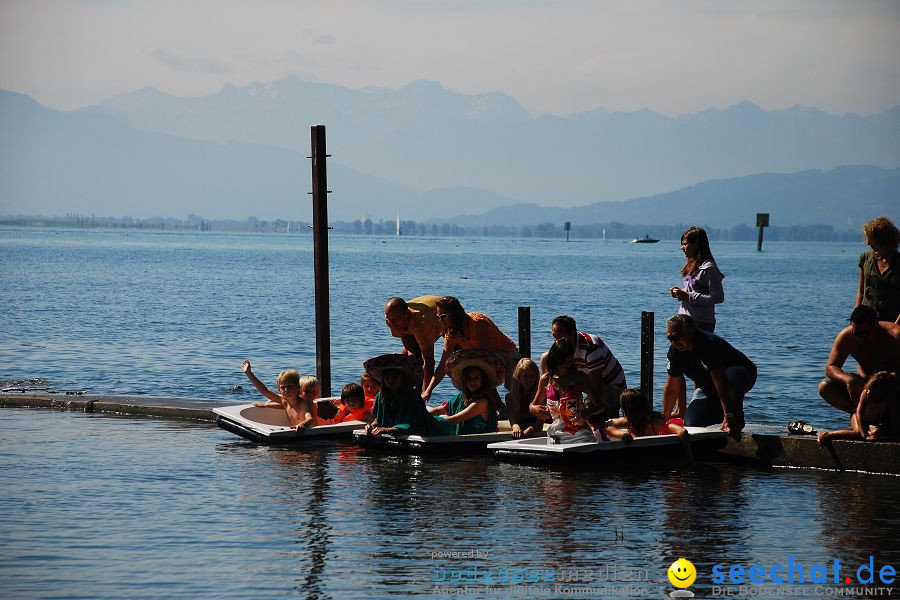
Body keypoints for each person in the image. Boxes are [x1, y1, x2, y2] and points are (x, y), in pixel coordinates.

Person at [662, 314, 756, 437]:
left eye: (678, 337)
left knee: (732, 374)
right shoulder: (674, 352)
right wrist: (663, 421)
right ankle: (718, 414)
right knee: (692, 425)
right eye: (670, 338)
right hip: (709, 387)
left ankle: (736, 416)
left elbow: (719, 380)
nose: (675, 342)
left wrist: (728, 414)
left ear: (691, 332)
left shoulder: (708, 344)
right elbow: (672, 388)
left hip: (740, 376)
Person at [422, 296, 519, 402]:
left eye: (443, 317)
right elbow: (442, 365)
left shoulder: (478, 323)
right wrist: (429, 389)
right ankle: (490, 405)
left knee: (513, 390)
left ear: (455, 314)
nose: (440, 321)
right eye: (438, 317)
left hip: (506, 355)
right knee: (454, 365)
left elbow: (487, 358)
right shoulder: (451, 333)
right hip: (484, 358)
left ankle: (497, 405)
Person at [541, 315, 626, 423]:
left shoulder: (591, 347)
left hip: (611, 384)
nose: (555, 341)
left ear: (572, 334)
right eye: (554, 337)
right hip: (587, 379)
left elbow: (596, 387)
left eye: (559, 337)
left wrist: (587, 411)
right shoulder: (562, 347)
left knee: (592, 412)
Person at [818, 305, 900, 413]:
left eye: (865, 334)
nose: (861, 338)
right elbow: (831, 367)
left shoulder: (895, 336)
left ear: (876, 325)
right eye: (856, 333)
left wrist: (881, 381)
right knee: (825, 387)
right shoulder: (846, 337)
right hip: (863, 384)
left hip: (892, 385)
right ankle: (857, 412)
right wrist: (848, 380)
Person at [530, 340, 605, 444]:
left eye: (570, 358)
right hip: (555, 436)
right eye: (563, 359)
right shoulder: (546, 379)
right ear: (555, 358)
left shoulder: (579, 378)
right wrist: (535, 409)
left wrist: (585, 413)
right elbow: (533, 405)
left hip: (580, 436)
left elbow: (601, 406)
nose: (567, 362)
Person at [604, 388, 695, 467]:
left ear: (628, 409)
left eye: (622, 407)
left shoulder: (654, 423)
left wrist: (691, 460)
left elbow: (682, 432)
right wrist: (622, 434)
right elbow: (608, 423)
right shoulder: (629, 421)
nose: (620, 409)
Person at [363, 354, 440, 437]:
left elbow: (418, 425)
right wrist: (372, 426)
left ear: (403, 378)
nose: (391, 380)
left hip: (432, 429)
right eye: (387, 377)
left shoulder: (412, 396)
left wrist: (388, 430)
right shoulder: (380, 396)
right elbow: (379, 420)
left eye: (395, 377)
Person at [429, 349, 503, 435]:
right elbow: (440, 410)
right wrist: (423, 415)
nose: (472, 382)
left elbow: (454, 420)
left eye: (476, 378)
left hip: (478, 444)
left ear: (483, 380)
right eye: (469, 378)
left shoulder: (483, 402)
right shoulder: (462, 397)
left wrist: (426, 421)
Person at [818, 371, 898, 447]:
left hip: (872, 421)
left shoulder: (888, 399)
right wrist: (864, 435)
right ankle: (827, 434)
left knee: (876, 433)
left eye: (873, 391)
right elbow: (859, 412)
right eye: (869, 389)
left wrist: (895, 436)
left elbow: (893, 415)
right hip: (857, 415)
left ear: (882, 392)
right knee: (858, 433)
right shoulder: (866, 393)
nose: (869, 392)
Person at [669, 226, 724, 332]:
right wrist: (681, 293)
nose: (682, 247)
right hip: (685, 320)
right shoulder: (692, 266)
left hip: (701, 323)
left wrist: (688, 296)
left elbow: (718, 297)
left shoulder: (709, 268)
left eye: (685, 244)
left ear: (697, 245)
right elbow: (694, 292)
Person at [384, 295, 444, 390]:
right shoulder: (391, 320)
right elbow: (405, 337)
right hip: (416, 320)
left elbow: (429, 362)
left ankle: (419, 394)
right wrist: (412, 357)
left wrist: (424, 394)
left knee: (423, 361)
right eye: (389, 318)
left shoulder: (422, 322)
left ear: (407, 314)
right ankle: (403, 391)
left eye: (395, 319)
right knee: (410, 359)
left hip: (438, 316)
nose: (392, 323)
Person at [240, 359, 314, 431]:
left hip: (309, 435)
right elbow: (264, 390)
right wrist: (249, 373)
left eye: (289, 386)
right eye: (283, 387)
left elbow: (310, 419)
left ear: (298, 387)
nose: (286, 390)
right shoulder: (285, 401)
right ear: (279, 390)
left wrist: (302, 425)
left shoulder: (303, 403)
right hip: (294, 434)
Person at [856, 216, 900, 323]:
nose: (868, 243)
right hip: (867, 323)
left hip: (893, 322)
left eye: (871, 239)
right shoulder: (865, 258)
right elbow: (861, 291)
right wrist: (856, 317)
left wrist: (895, 326)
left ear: (883, 240)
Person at [506, 358, 542, 438]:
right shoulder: (510, 397)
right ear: (518, 376)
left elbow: (540, 424)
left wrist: (531, 429)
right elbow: (512, 420)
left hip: (536, 433)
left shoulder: (540, 396)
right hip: (520, 431)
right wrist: (516, 427)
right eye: (525, 376)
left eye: (532, 376)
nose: (529, 380)